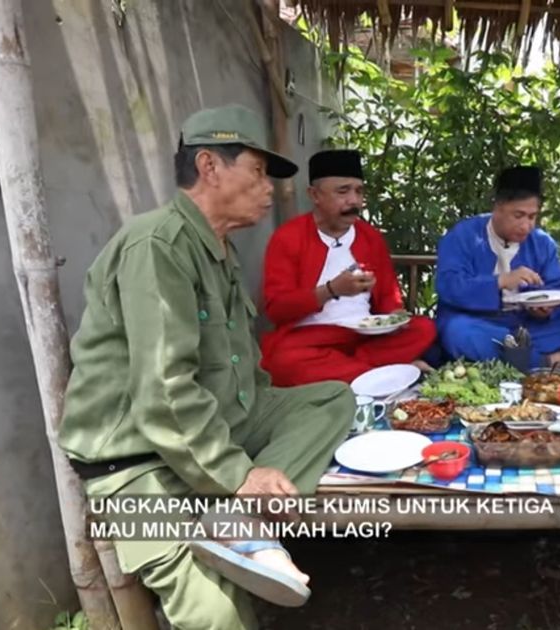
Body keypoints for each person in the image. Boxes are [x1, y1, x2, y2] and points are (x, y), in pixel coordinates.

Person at [58, 105, 354, 629]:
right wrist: (241, 474)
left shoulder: (219, 249)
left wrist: (246, 477)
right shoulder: (157, 245)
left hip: (219, 430)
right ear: (210, 165)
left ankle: (240, 517)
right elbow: (165, 390)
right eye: (260, 172)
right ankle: (239, 509)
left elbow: (242, 368)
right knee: (220, 616)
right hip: (141, 464)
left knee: (330, 397)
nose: (270, 189)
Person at [259, 149, 437, 386]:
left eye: (359, 191)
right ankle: (383, 374)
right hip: (311, 339)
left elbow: (388, 298)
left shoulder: (370, 237)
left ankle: (355, 372)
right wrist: (331, 290)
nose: (354, 201)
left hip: (365, 337)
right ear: (314, 195)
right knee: (284, 360)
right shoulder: (288, 237)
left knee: (423, 328)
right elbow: (277, 310)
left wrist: (395, 318)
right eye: (343, 191)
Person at [435, 165, 560, 369]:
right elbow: (449, 287)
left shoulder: (542, 242)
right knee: (458, 332)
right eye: (518, 216)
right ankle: (546, 361)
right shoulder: (463, 236)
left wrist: (544, 308)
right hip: (477, 323)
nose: (526, 225)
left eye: (532, 217)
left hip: (524, 325)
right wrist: (500, 282)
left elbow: (555, 287)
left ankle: (511, 355)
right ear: (497, 207)